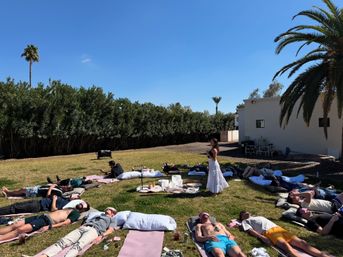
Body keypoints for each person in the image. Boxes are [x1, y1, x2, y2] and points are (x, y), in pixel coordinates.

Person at [26, 207, 118, 257]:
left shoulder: (112, 219)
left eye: (108, 209)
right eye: (106, 209)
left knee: (79, 245)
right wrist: (82, 226)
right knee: (63, 241)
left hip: (95, 231)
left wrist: (101, 236)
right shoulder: (97, 215)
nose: (106, 210)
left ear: (113, 213)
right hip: (84, 227)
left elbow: (111, 229)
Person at [239, 211, 330, 257]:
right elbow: (250, 230)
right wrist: (262, 237)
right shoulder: (245, 221)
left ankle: (322, 255)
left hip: (280, 229)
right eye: (243, 214)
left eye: (246, 212)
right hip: (268, 231)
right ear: (241, 217)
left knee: (302, 242)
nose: (245, 213)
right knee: (285, 245)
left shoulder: (257, 216)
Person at [0, 202, 89, 242]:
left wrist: (49, 227)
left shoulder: (76, 214)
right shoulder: (69, 207)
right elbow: (54, 209)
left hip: (45, 221)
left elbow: (66, 223)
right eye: (80, 204)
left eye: (82, 206)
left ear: (83, 209)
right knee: (16, 225)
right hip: (41, 216)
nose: (79, 205)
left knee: (20, 229)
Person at [0, 195, 83, 215]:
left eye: (77, 196)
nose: (75, 195)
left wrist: (54, 200)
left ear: (75, 200)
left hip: (38, 206)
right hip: (38, 201)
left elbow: (53, 210)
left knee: (14, 208)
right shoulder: (65, 198)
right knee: (15, 205)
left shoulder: (65, 204)